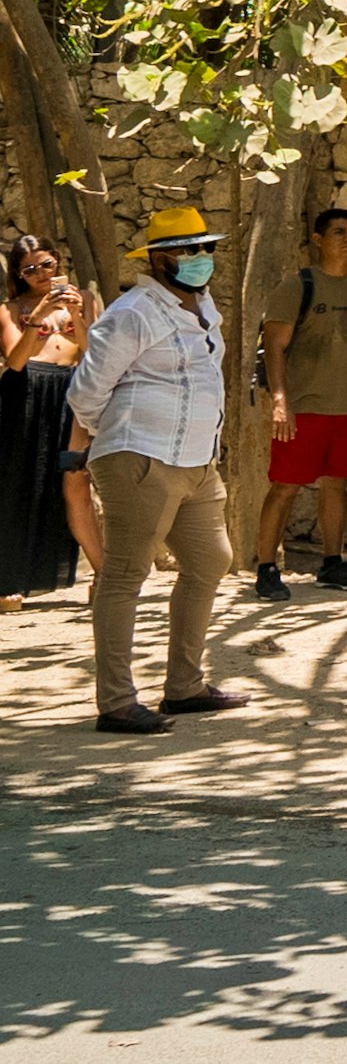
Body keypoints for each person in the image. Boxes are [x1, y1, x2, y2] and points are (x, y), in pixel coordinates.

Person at [70, 202, 247, 733]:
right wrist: (125, 440)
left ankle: (184, 688)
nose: (201, 258)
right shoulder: (132, 313)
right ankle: (117, 703)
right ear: (162, 259)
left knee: (211, 560)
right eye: (190, 250)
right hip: (142, 457)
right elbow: (86, 392)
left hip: (197, 460)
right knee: (125, 575)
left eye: (206, 249)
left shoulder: (204, 305)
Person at [251, 203, 347, 600]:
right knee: (284, 487)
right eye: (338, 232)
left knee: (338, 483)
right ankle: (266, 568)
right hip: (303, 408)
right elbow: (274, 348)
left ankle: (332, 563)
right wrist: (280, 400)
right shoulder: (298, 286)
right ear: (318, 240)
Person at [2, 234, 102, 602]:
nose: (41, 274)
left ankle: (103, 575)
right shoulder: (10, 309)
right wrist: (39, 316)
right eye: (30, 269)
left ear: (58, 261)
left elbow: (96, 351)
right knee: (18, 483)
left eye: (46, 264)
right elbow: (15, 361)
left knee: (77, 481)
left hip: (74, 391)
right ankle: (8, 581)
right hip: (28, 392)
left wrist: (76, 314)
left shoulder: (86, 300)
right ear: (19, 274)